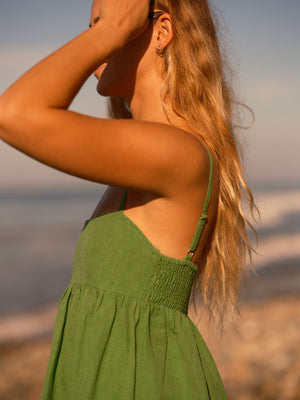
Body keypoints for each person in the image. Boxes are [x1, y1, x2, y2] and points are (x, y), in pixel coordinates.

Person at [0, 0, 257, 398]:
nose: (94, 41)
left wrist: (109, 31)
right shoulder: (149, 156)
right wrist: (110, 29)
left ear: (160, 31)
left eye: (110, 21)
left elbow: (14, 114)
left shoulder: (178, 153)